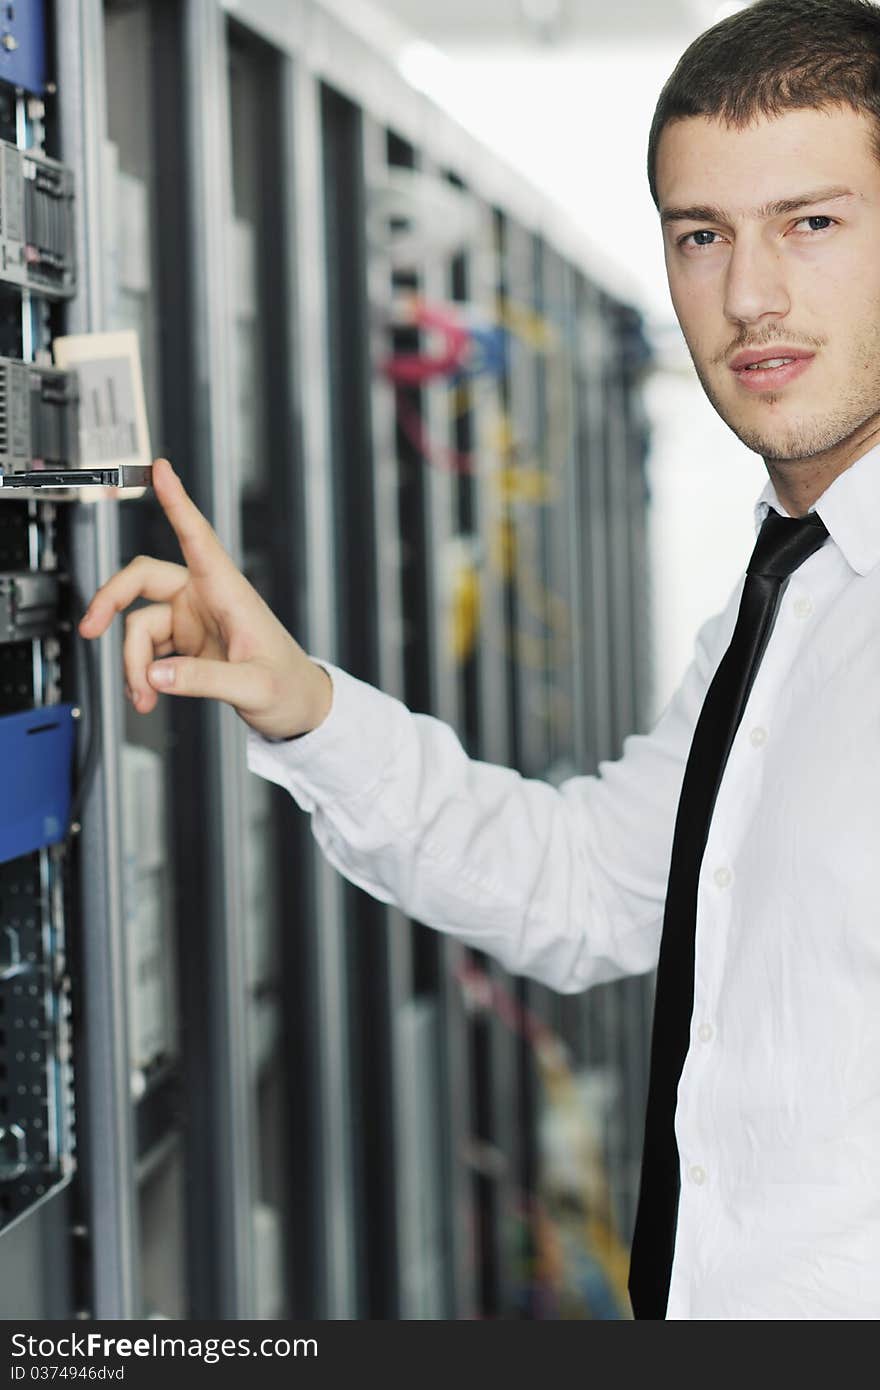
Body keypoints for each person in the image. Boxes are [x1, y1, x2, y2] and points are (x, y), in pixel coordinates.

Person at [80, 0, 880, 1319]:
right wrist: (304, 702)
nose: (750, 295)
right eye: (702, 236)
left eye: (813, 222)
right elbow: (592, 884)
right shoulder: (784, 594)